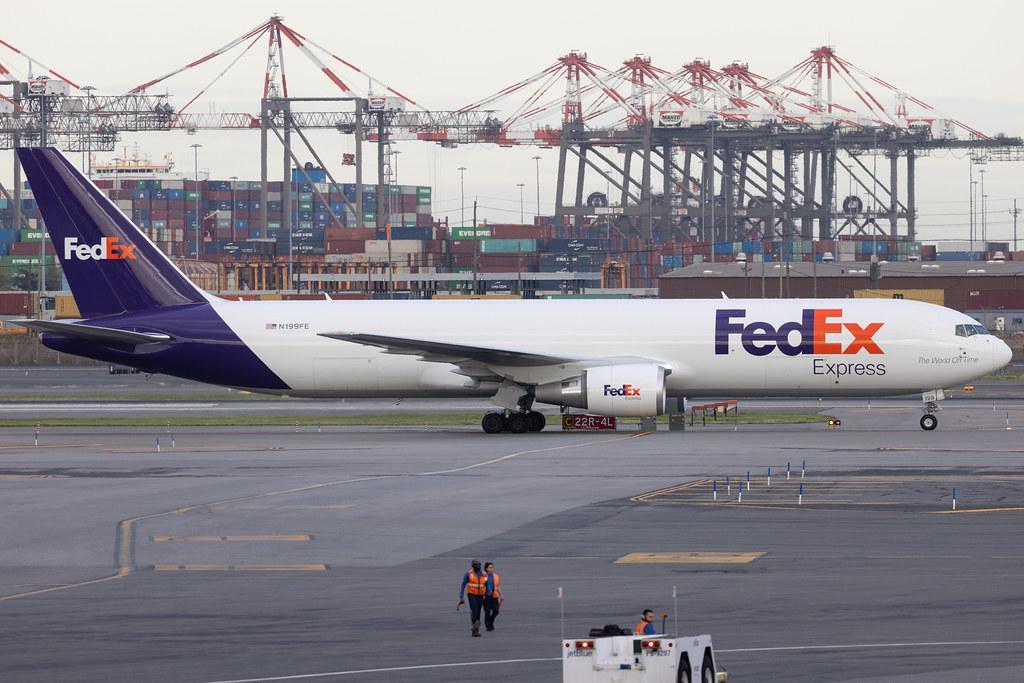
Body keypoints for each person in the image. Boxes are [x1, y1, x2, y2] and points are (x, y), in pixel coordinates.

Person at [458, 559, 488, 637]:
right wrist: (461, 596)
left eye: (479, 564)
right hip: (472, 594)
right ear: (473, 566)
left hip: (481, 595)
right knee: (474, 610)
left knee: (478, 612)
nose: (478, 566)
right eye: (476, 565)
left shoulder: (484, 574)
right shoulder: (468, 573)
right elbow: (463, 584)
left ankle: (475, 630)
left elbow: (487, 584)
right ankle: (475, 627)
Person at [483, 561, 502, 631]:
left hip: (494, 596)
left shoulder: (496, 576)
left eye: (492, 567)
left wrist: (501, 595)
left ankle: (490, 621)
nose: (491, 569)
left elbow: (498, 586)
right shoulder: (483, 576)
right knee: (487, 612)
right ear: (486, 568)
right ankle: (488, 626)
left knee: (496, 611)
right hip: (486, 597)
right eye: (490, 567)